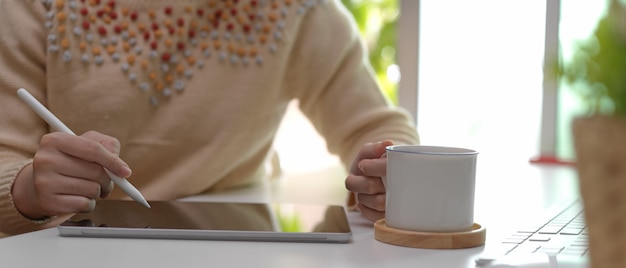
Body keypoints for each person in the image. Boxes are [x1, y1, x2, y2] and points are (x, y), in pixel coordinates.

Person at [0, 0, 419, 236]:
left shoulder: (297, 11)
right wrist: (29, 191)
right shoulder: (32, 9)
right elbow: (7, 163)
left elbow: (376, 126)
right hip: (68, 246)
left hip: (233, 243)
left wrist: (388, 170)